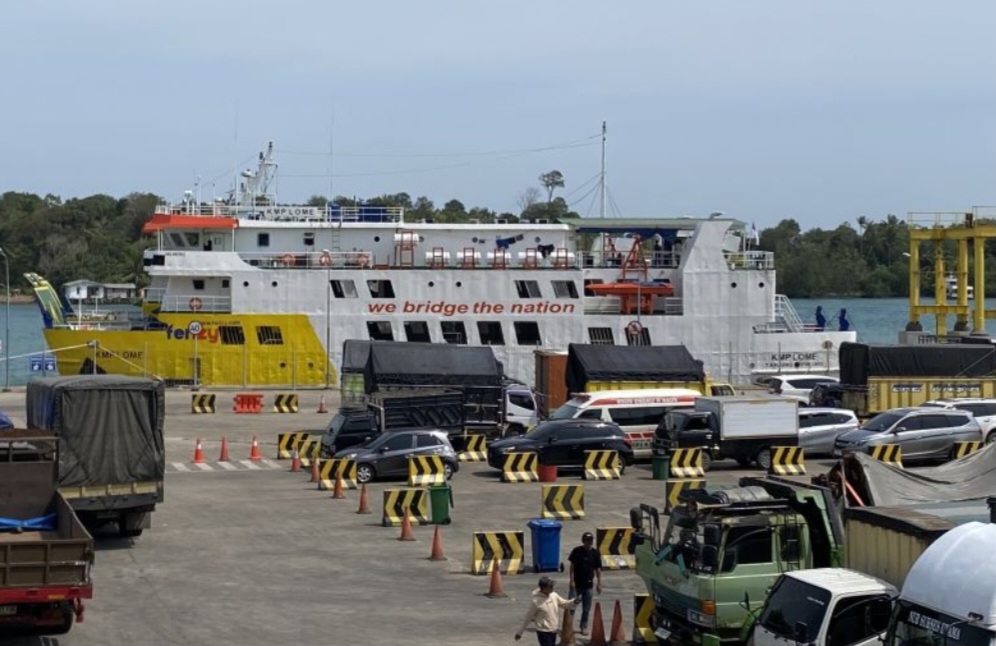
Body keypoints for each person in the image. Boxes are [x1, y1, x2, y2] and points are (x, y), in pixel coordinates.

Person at [515, 576, 580, 646]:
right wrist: (519, 632)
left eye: (552, 586)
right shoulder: (536, 601)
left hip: (553, 630)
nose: (552, 588)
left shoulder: (554, 595)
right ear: (544, 588)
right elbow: (528, 618)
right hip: (543, 632)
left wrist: (574, 602)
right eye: (550, 586)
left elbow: (564, 604)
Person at [568, 531, 603, 635]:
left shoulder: (595, 553)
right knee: (571, 606)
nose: (589, 542)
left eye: (591, 540)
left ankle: (583, 627)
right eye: (587, 540)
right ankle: (568, 626)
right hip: (576, 585)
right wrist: (571, 581)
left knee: (586, 608)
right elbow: (572, 567)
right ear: (583, 541)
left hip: (588, 586)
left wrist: (599, 583)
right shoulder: (577, 551)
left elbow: (598, 569)